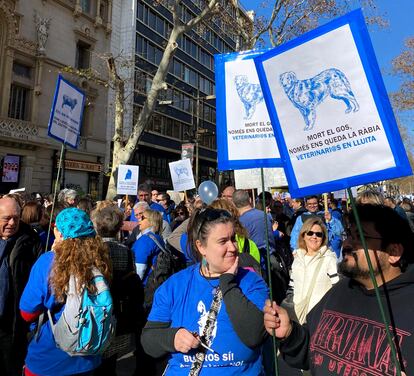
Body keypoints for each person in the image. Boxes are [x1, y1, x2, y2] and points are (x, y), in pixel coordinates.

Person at [264, 204, 414, 375]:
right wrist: (290, 333)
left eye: (360, 237)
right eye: (349, 234)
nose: (347, 243)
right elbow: (312, 349)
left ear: (393, 252)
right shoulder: (341, 290)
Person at [141, 208, 269, 375]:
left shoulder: (251, 282)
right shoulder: (175, 286)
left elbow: (255, 336)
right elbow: (149, 340)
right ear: (201, 247)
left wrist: (228, 283)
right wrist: (173, 338)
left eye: (233, 239)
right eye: (223, 241)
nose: (232, 247)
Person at [19, 207, 111, 375]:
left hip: (49, 357)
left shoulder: (48, 262)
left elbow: (27, 312)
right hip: (89, 356)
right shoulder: (101, 261)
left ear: (59, 232)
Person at [91, 205, 144, 376]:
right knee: (110, 362)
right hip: (117, 311)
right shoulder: (126, 251)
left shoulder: (92, 250)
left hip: (95, 310)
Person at [0, 196, 43, 375]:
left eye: (16, 218)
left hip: (13, 323)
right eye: (6, 218)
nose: (11, 223)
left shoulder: (31, 241)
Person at [287, 217, 338, 323]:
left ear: (323, 238)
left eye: (319, 234)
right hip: (297, 316)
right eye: (310, 233)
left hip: (319, 319)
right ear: (303, 235)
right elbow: (291, 287)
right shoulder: (297, 258)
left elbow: (337, 290)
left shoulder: (329, 259)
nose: (314, 237)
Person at [131, 208, 165, 285]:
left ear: (151, 221)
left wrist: (134, 286)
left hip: (145, 285)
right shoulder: (157, 237)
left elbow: (139, 268)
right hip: (154, 282)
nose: (139, 220)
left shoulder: (145, 240)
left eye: (142, 218)